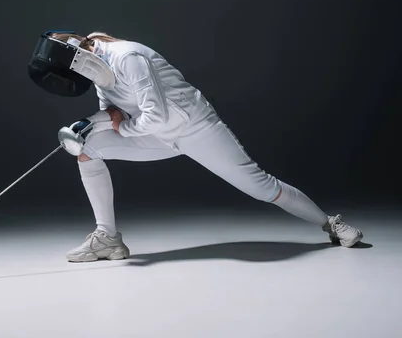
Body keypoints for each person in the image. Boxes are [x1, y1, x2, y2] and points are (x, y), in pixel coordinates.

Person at [28, 30, 364, 262]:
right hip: (157, 136)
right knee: (86, 148)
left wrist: (118, 125)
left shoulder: (127, 56)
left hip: (198, 130)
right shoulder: (99, 72)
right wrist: (86, 126)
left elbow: (153, 116)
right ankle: (108, 239)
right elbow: (112, 110)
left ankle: (330, 223)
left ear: (78, 59)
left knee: (261, 187)